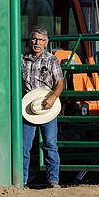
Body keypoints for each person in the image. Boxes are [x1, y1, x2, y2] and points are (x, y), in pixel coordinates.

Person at [22, 26, 64, 188]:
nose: (37, 42)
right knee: (24, 146)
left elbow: (60, 82)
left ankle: (53, 180)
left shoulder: (51, 59)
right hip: (28, 106)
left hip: (47, 105)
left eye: (40, 39)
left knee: (50, 144)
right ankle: (22, 180)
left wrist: (53, 98)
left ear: (46, 42)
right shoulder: (22, 59)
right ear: (30, 40)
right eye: (34, 39)